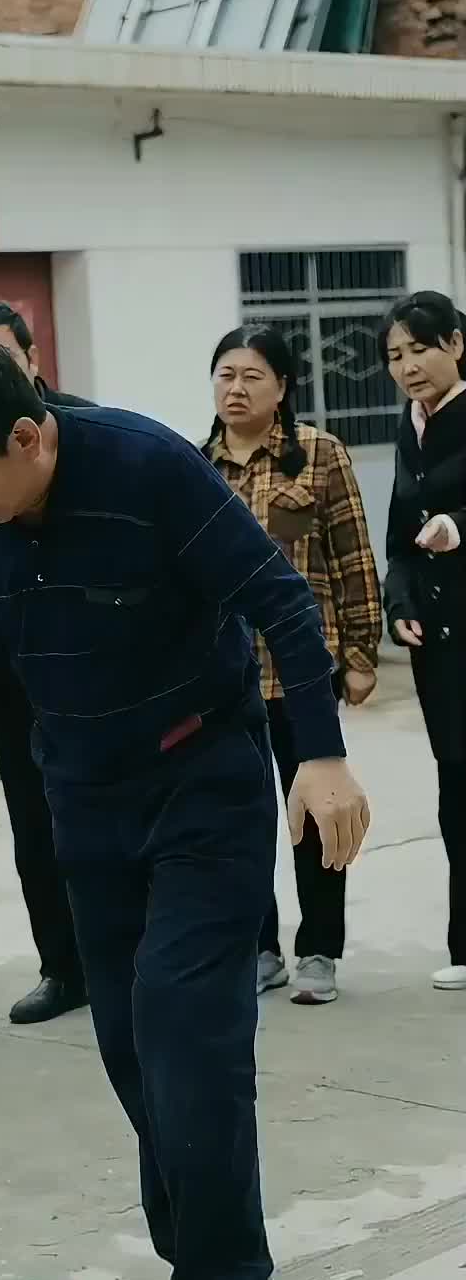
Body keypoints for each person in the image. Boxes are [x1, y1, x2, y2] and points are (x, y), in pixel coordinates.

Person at [0, 330, 370, 1280]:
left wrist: (319, 753)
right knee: (129, 1036)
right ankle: (197, 1266)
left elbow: (278, 598)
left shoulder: (147, 465)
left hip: (202, 773)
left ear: (28, 436)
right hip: (83, 793)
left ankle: (232, 1275)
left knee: (186, 1018)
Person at [205, 325, 382, 1006]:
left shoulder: (318, 455)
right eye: (226, 374)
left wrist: (360, 654)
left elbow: (354, 556)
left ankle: (319, 951)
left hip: (301, 673)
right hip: (226, 678)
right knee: (238, 819)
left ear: (281, 388)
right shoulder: (197, 465)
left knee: (315, 812)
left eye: (252, 376)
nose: (236, 389)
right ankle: (260, 948)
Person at [0, 301, 88, 1025]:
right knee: (33, 826)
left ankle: (125, 955)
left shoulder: (83, 434)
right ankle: (61, 966)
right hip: (13, 676)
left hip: (89, 669)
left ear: (33, 361)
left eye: (3, 357)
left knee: (102, 816)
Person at [380, 289, 466, 992]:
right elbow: (399, 536)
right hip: (438, 642)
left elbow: (444, 521)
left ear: (456, 345)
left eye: (419, 349)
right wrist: (399, 602)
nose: (407, 366)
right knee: (455, 788)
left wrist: (459, 527)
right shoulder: (409, 428)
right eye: (394, 355)